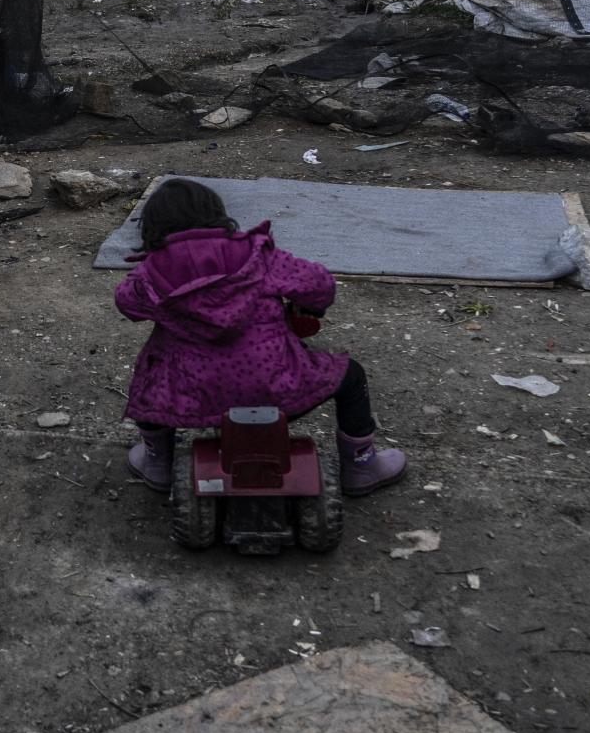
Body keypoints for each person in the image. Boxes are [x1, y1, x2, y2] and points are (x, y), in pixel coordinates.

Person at [114, 178, 406, 496]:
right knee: (351, 377)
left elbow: (126, 304)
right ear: (217, 214)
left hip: (191, 396)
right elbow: (320, 284)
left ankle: (157, 461)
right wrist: (310, 307)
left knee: (150, 379)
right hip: (279, 386)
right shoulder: (257, 255)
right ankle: (361, 465)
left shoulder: (150, 275)